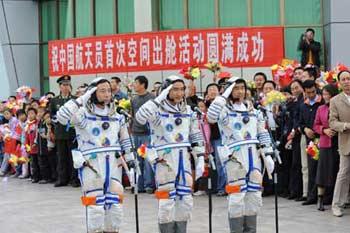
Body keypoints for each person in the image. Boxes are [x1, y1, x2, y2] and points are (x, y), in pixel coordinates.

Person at [57, 77, 134, 233]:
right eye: (102, 91)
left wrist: (131, 163)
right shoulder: (82, 115)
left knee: (115, 210)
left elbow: (125, 140)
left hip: (113, 164)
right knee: (96, 210)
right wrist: (83, 98)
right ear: (92, 93)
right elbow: (61, 116)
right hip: (91, 165)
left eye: (109, 90)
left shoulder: (117, 115)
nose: (107, 94)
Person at [135, 75, 205, 233]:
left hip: (183, 160)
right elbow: (140, 118)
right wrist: (159, 98)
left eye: (182, 89)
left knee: (185, 200)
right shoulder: (156, 110)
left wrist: (200, 157)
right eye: (175, 89)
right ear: (166, 90)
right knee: (166, 202)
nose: (179, 93)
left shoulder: (188, 110)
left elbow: (195, 134)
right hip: (164, 160)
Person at [207, 77, 274, 233]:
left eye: (242, 88)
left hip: (254, 156)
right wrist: (224, 95)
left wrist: (268, 153)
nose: (240, 91)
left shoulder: (253, 110)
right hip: (234, 157)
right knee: (237, 197)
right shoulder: (224, 110)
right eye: (236, 88)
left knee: (254, 196)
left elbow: (262, 131)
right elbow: (211, 116)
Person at [313, 84, 340, 211]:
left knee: (339, 171)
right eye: (324, 94)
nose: (326, 97)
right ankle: (320, 199)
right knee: (323, 172)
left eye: (328, 94)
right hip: (326, 142)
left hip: (340, 141)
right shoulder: (321, 109)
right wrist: (324, 130)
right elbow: (316, 125)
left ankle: (339, 199)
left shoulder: (340, 106)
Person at [49, 75, 79, 187]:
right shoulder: (54, 100)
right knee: (61, 157)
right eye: (64, 85)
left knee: (73, 158)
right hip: (60, 133)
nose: (66, 87)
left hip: (72, 133)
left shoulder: (75, 99)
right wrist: (58, 119)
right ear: (60, 86)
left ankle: (74, 179)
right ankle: (62, 179)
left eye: (68, 85)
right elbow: (51, 114)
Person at [299, 80, 323, 205]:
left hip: (322, 139)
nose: (311, 95)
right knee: (311, 168)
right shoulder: (303, 105)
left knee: (322, 168)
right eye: (308, 93)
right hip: (310, 141)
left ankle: (323, 196)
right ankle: (311, 196)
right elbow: (300, 122)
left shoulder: (322, 102)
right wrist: (305, 129)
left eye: (313, 92)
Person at [329, 70, 350, 217]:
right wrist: (346, 126)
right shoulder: (335, 100)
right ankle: (337, 205)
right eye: (344, 79)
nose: (347, 81)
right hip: (346, 141)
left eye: (349, 78)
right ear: (339, 83)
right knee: (343, 174)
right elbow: (332, 122)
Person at [131, 75, 155, 193]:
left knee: (147, 160)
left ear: (142, 84)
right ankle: (139, 185)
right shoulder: (134, 99)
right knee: (137, 160)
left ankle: (149, 185)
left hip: (146, 134)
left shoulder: (151, 98)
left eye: (136, 83)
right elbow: (132, 115)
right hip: (135, 134)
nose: (134, 85)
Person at [205, 83, 226, 196]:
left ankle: (222, 187)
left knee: (220, 162)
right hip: (208, 138)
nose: (212, 91)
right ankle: (215, 187)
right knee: (212, 164)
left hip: (219, 137)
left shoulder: (222, 104)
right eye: (210, 89)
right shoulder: (205, 104)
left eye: (214, 89)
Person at [25, 108, 40, 183]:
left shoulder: (37, 123)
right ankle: (34, 176)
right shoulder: (27, 124)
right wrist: (26, 145)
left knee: (38, 163)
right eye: (29, 114)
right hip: (30, 148)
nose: (30, 115)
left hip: (36, 147)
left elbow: (37, 135)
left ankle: (39, 177)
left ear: (36, 114)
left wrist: (35, 143)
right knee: (33, 163)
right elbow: (26, 136)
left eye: (32, 113)